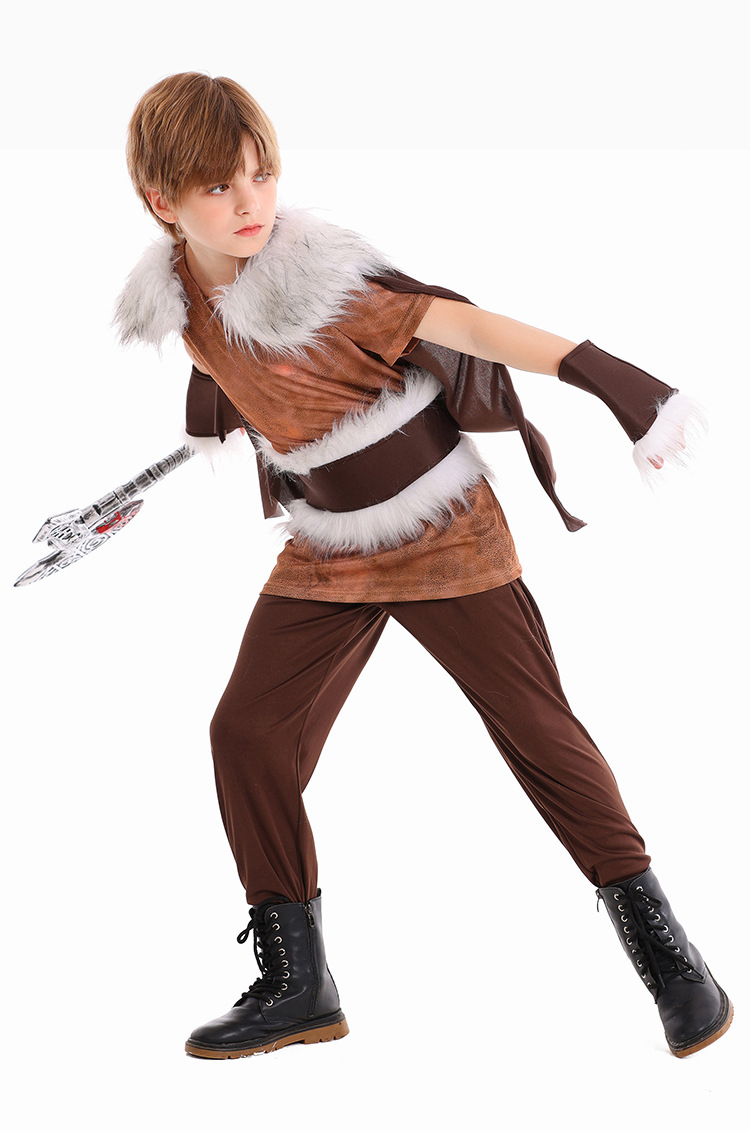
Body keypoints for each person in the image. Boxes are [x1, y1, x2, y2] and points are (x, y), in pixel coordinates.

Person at [116, 71, 732, 1061]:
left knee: (536, 729)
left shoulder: (328, 284)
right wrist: (204, 432)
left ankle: (669, 956)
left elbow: (469, 327)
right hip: (328, 543)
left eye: (262, 176)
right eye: (219, 187)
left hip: (442, 528)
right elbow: (233, 373)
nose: (251, 203)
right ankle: (298, 982)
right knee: (247, 733)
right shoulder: (180, 297)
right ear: (162, 202)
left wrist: (616, 382)